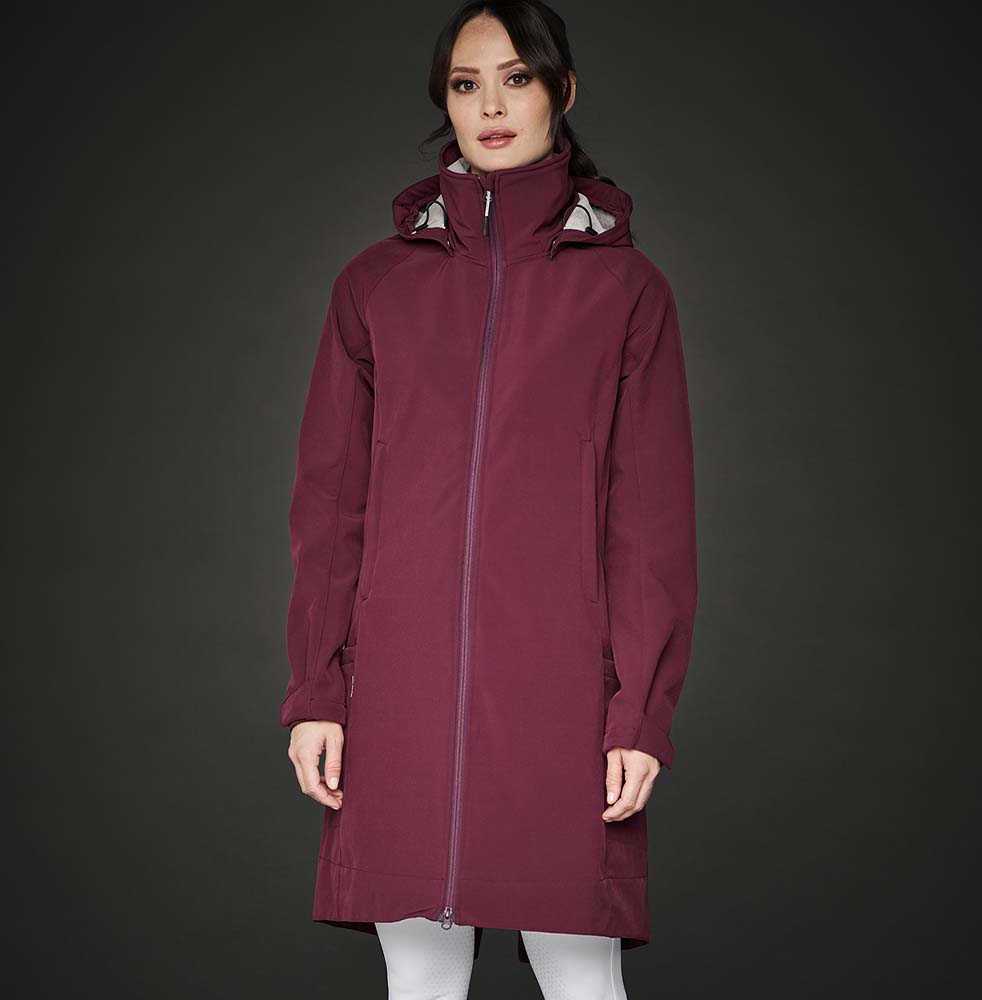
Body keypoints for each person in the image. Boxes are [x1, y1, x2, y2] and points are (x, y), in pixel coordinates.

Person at [280, 2, 699, 997]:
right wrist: (317, 693)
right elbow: (330, 510)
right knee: (419, 981)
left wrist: (638, 713)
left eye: (516, 78)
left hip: (566, 696)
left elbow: (650, 526)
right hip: (398, 693)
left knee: (581, 978)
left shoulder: (626, 292)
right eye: (467, 85)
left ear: (562, 90)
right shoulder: (374, 287)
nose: (491, 106)